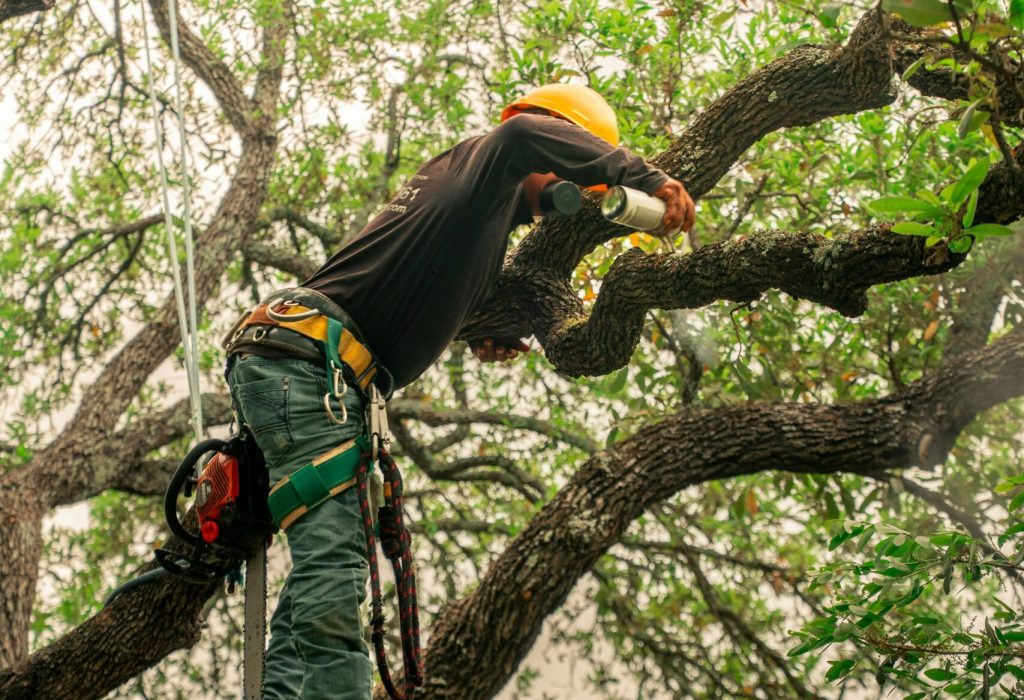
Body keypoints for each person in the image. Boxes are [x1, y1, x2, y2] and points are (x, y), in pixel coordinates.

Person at [223, 83, 695, 699]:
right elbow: (521, 136)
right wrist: (646, 176)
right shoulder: (489, 161)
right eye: (579, 161)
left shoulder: (479, 214)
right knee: (336, 567)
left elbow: (414, 295)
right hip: (308, 365)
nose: (581, 189)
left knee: (322, 575)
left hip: (309, 367)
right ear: (555, 136)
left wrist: (474, 332)